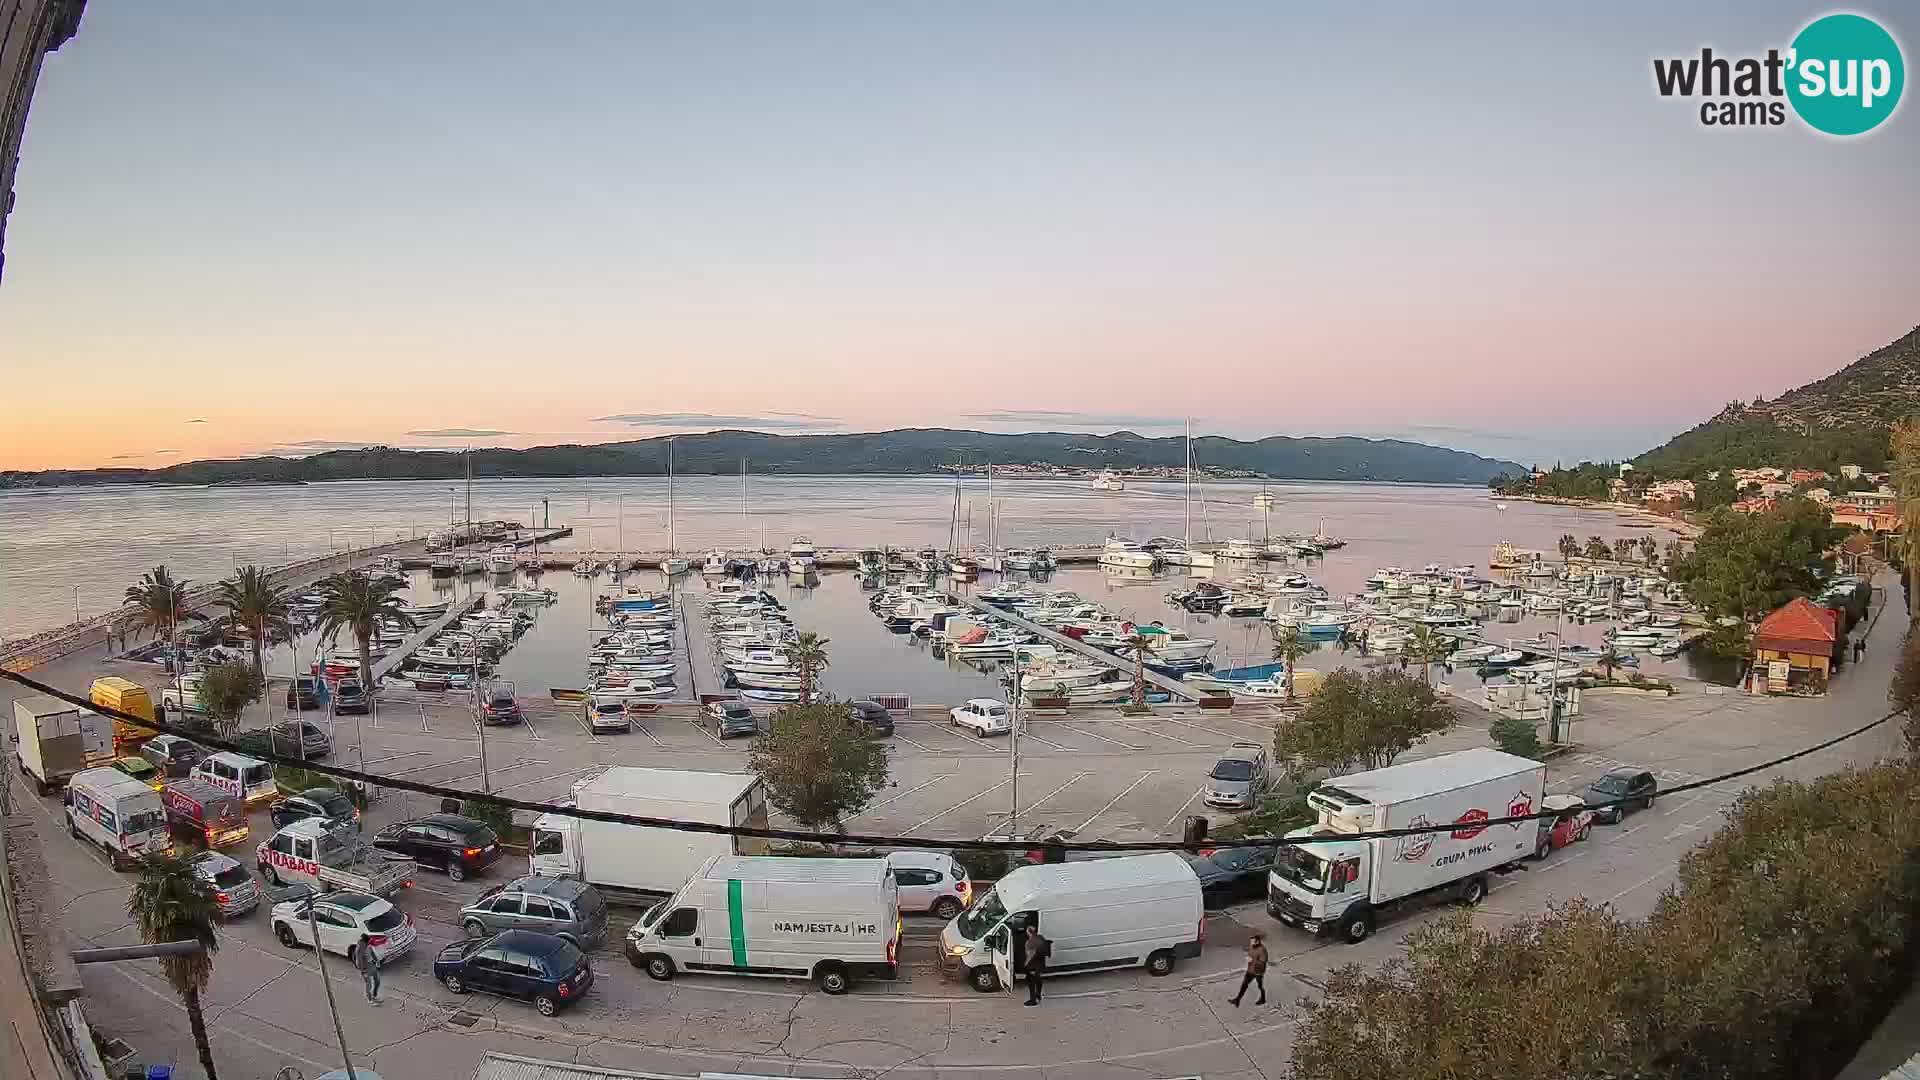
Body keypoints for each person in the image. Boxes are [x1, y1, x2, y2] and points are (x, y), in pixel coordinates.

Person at [1230, 933, 1268, 1007]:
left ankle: (1263, 999)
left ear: (1257, 941)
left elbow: (1262, 962)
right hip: (1250, 970)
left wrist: (1252, 960)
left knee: (1260, 986)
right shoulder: (1252, 946)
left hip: (1258, 972)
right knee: (1244, 985)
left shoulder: (1262, 950)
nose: (1251, 943)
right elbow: (1251, 953)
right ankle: (1237, 1000)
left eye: (1252, 941)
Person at [1023, 925, 1050, 1006]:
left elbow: (1030, 955)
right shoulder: (1041, 937)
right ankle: (1038, 995)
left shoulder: (1029, 942)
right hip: (1041, 963)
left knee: (1031, 983)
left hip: (1032, 965)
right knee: (1038, 980)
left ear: (1029, 932)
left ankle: (1033, 1000)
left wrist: (1025, 964)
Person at [357, 936, 382, 1003]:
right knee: (369, 985)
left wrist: (377, 961)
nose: (370, 942)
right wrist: (363, 971)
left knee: (377, 981)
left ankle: (374, 995)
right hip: (366, 968)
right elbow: (359, 962)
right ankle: (370, 999)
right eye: (368, 941)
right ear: (365, 942)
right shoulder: (360, 950)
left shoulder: (369, 947)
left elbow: (373, 954)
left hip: (372, 965)